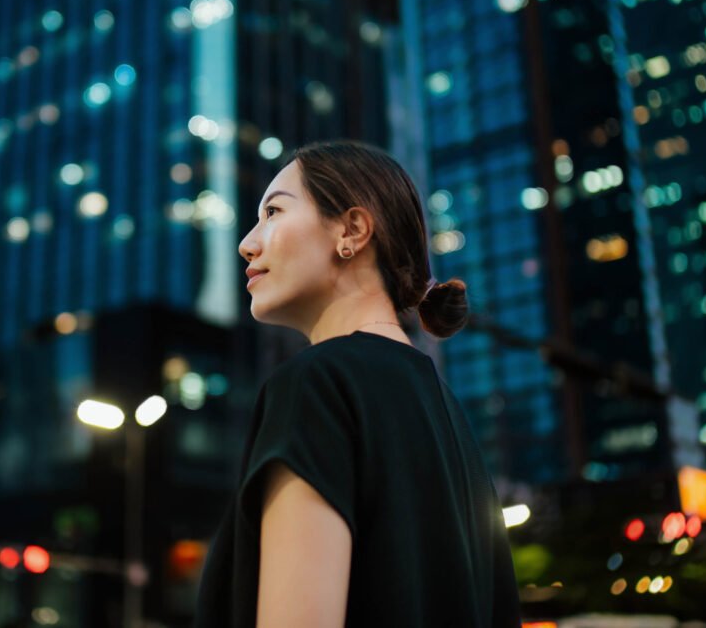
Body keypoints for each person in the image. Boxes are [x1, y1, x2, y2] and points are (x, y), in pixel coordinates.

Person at [194, 141, 521, 627]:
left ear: (351, 230)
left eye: (273, 212)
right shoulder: (452, 422)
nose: (248, 242)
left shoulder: (317, 384)